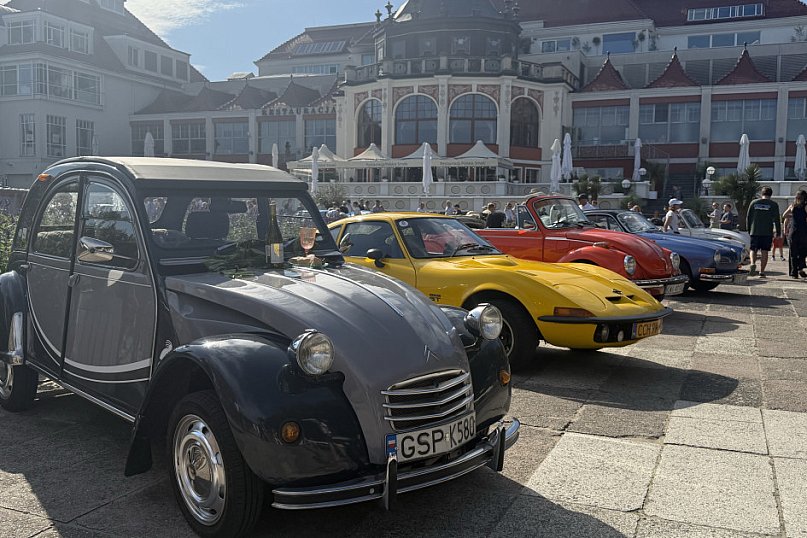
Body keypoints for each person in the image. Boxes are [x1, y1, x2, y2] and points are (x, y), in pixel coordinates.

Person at [746, 186, 781, 278]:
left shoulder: (754, 203)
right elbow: (777, 219)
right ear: (771, 194)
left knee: (753, 249)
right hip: (767, 232)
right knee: (765, 251)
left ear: (762, 194)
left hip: (755, 230)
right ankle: (762, 272)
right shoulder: (773, 204)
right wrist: (778, 232)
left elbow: (748, 217)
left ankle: (752, 263)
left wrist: (749, 229)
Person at [786, 191, 807, 278]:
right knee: (803, 251)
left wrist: (793, 216)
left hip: (793, 231)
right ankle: (800, 268)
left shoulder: (792, 206)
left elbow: (784, 215)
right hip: (803, 232)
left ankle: (794, 273)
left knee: (793, 253)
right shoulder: (805, 206)